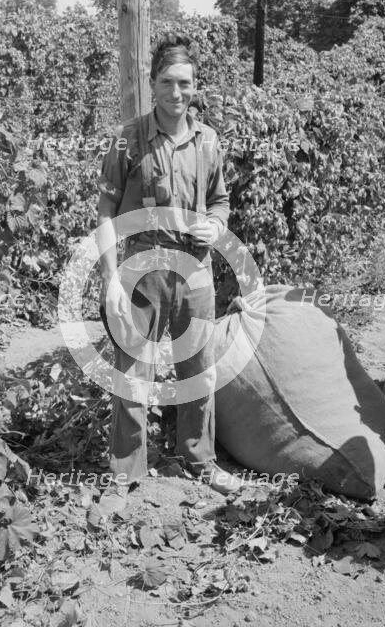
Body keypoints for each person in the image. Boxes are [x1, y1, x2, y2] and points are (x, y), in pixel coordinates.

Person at [94, 33, 242, 512]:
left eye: (184, 83)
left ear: (194, 87)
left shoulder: (208, 140)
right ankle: (126, 470)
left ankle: (200, 461)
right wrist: (110, 279)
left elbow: (220, 198)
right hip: (141, 266)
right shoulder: (128, 138)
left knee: (198, 368)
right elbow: (105, 213)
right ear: (151, 84)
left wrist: (216, 224)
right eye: (166, 82)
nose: (176, 93)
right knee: (133, 371)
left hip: (194, 271)